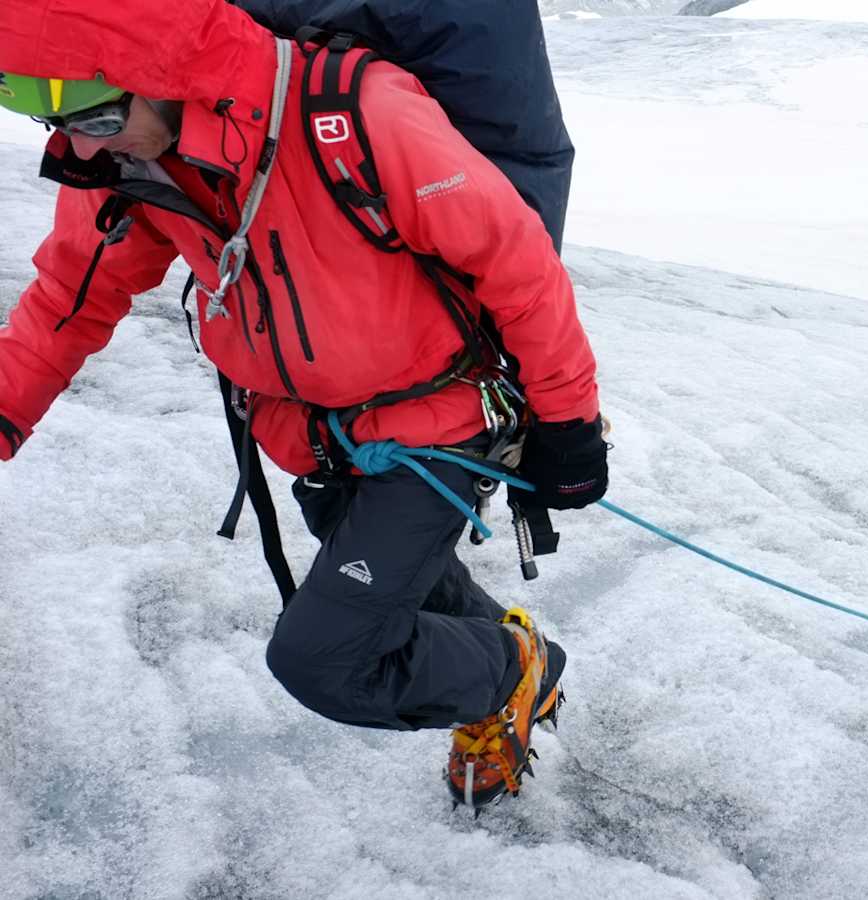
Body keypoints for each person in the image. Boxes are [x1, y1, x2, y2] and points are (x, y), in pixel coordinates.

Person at [0, 0, 607, 813]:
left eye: (99, 115)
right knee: (405, 592)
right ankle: (507, 658)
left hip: (434, 427)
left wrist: (568, 426)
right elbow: (66, 302)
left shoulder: (359, 111)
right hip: (313, 435)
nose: (79, 146)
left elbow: (518, 266)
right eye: (50, 121)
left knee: (328, 660)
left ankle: (512, 676)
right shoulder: (129, 159)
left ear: (167, 77)